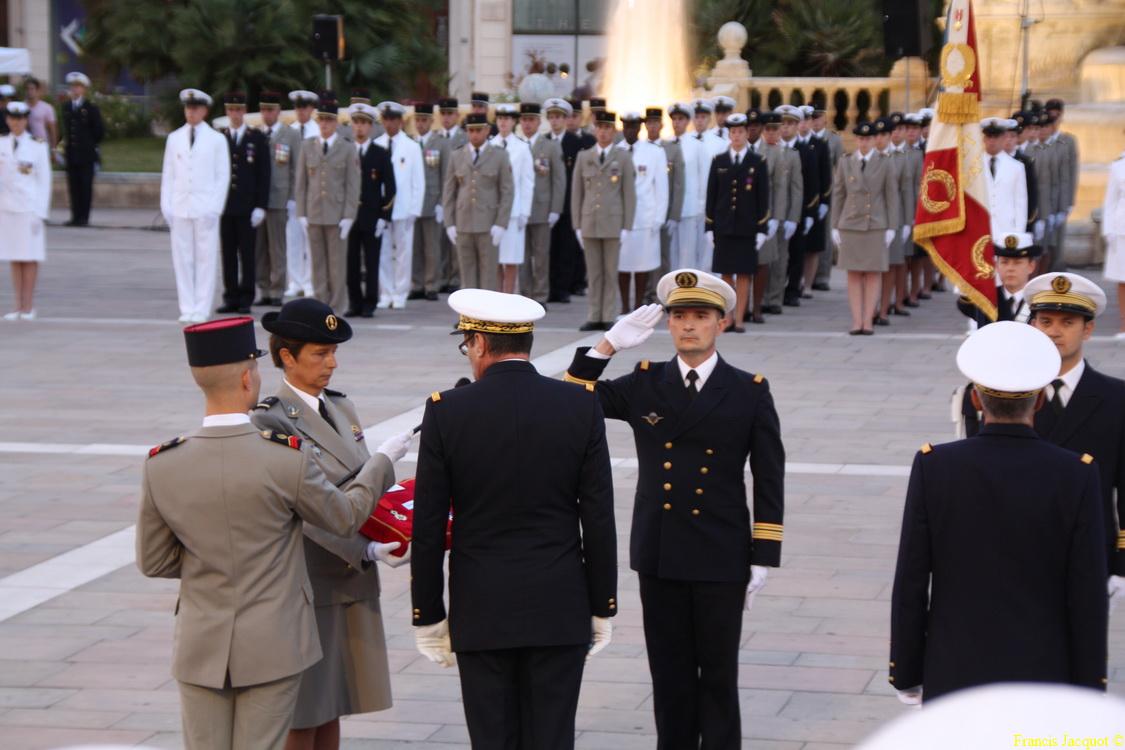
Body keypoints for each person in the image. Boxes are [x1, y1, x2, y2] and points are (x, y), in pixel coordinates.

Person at [136, 316, 401, 750]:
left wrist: (216, 563)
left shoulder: (161, 463)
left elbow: (154, 561)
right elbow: (342, 516)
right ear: (248, 377)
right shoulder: (283, 458)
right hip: (274, 641)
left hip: (199, 644)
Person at [563, 270, 785, 750]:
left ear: (721, 324)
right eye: (679, 316)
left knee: (719, 675)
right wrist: (606, 347)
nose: (688, 326)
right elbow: (570, 401)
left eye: (700, 317)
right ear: (667, 325)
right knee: (669, 675)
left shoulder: (749, 390)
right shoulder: (647, 383)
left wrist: (763, 553)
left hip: (722, 552)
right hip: (660, 550)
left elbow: (769, 475)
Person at [411, 288, 617, 750]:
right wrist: (602, 604)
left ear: (480, 343)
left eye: (467, 345)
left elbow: (427, 526)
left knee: (492, 740)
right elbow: (598, 518)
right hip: (559, 605)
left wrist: (428, 613)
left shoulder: (448, 410)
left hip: (481, 609)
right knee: (552, 738)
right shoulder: (579, 405)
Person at [890, 321, 1107, 705]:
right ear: (1039, 401)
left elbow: (911, 577)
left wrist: (906, 669)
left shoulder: (935, 466)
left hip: (954, 667)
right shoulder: (1077, 472)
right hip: (1044, 671)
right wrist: (1090, 685)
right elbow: (1087, 592)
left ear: (975, 399)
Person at [251, 299, 413, 750]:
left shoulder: (341, 407)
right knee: (305, 711)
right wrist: (363, 550)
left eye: (333, 353)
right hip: (310, 582)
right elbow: (300, 507)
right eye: (319, 354)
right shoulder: (270, 419)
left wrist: (394, 527)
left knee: (336, 704)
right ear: (287, 356)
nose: (331, 363)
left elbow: (360, 485)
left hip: (349, 582)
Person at [1025, 272, 1125, 592]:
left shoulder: (1116, 398)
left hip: (1090, 548)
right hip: (1020, 548)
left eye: (1068, 323)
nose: (1055, 332)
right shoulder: (1008, 394)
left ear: (1088, 329)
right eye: (1045, 321)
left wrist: (1122, 560)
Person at [955, 233, 1043, 437]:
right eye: (1004, 262)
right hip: (990, 384)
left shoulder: (1040, 302)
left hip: (1027, 384)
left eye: (1017, 262)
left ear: (1031, 266)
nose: (1010, 268)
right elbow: (964, 298)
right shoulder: (984, 298)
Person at [160, 89, 230, 323]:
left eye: (196, 108)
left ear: (205, 110)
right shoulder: (175, 137)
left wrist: (215, 208)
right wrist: (166, 205)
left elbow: (222, 176)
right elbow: (168, 174)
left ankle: (202, 306)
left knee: (205, 258)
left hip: (205, 207)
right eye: (188, 108)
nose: (191, 111)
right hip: (180, 205)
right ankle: (187, 305)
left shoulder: (216, 139)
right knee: (182, 258)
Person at [830, 121, 899, 335]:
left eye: (868, 139)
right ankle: (856, 320)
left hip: (875, 223)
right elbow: (839, 194)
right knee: (853, 274)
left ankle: (868, 320)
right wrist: (834, 225)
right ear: (856, 140)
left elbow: (891, 196)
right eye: (861, 139)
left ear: (873, 140)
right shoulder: (846, 161)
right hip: (850, 223)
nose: (864, 142)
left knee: (872, 274)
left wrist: (892, 227)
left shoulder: (885, 162)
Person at [705, 112, 770, 332]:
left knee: (743, 274)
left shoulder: (757, 161)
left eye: (741, 131)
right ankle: (728, 318)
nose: (737, 136)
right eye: (733, 132)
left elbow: (763, 198)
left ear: (746, 134)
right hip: (724, 226)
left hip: (746, 227)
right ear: (729, 134)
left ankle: (740, 317)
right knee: (725, 275)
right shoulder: (719, 161)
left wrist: (762, 228)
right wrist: (709, 226)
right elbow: (711, 196)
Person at [572, 110, 637, 330]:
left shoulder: (623, 157)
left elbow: (629, 193)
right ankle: (594, 314)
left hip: (613, 223)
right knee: (593, 272)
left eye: (607, 128)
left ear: (613, 130)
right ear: (594, 129)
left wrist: (627, 225)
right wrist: (577, 225)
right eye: (599, 127)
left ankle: (608, 314)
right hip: (590, 222)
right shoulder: (584, 156)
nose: (603, 132)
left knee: (610, 272)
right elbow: (577, 193)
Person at [294, 96, 359, 312]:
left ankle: (337, 307)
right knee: (318, 264)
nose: (324, 124)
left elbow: (352, 184)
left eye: (328, 120)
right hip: (314, 212)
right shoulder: (308, 146)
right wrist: (301, 212)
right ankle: (321, 306)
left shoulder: (347, 148)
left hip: (336, 214)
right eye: (321, 119)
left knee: (337, 265)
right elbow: (301, 182)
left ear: (336, 122)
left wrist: (349, 216)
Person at [442, 113, 514, 291]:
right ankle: (469, 318)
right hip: (463, 222)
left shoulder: (499, 156)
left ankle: (487, 318)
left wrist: (501, 223)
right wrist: (449, 222)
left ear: (487, 130)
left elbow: (507, 191)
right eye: (470, 130)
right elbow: (449, 191)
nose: (474, 135)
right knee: (466, 275)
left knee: (488, 276)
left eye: (478, 130)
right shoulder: (457, 155)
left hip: (488, 224)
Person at [217, 92, 270, 315]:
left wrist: (261, 205)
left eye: (238, 110)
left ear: (244, 111)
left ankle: (247, 296)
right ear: (227, 112)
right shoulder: (220, 137)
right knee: (228, 253)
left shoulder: (255, 137)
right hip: (225, 206)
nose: (235, 114)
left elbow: (264, 173)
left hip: (247, 206)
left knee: (247, 254)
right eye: (231, 110)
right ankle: (230, 296)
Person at [0, 101, 51, 321]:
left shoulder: (37, 145)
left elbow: (44, 181)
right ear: (7, 119)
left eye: (20, 119)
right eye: (12, 118)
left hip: (29, 209)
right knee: (14, 257)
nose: (16, 122)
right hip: (8, 207)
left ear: (26, 120)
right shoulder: (1, 143)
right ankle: (17, 306)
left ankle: (29, 306)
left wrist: (40, 213)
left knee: (30, 257)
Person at [345, 103, 395, 318]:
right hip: (349, 217)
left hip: (372, 216)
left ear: (371, 127)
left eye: (364, 123)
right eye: (356, 123)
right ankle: (354, 302)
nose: (359, 128)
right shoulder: (345, 150)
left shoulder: (380, 153)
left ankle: (370, 303)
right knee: (351, 263)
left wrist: (384, 216)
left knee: (372, 262)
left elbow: (391, 187)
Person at [373, 101, 424, 309]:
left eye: (393, 119)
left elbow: (418, 181)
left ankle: (401, 292)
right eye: (386, 119)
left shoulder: (411, 146)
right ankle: (385, 292)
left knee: (403, 253)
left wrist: (414, 209)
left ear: (400, 121)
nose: (389, 124)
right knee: (383, 251)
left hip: (403, 208)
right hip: (382, 208)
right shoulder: (377, 144)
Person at [615, 111, 668, 313]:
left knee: (642, 264)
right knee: (622, 264)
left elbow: (662, 187)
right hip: (620, 218)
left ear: (640, 128)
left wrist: (659, 218)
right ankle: (625, 306)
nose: (630, 130)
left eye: (634, 126)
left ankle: (637, 306)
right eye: (627, 126)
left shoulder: (654, 152)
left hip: (645, 216)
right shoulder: (616, 150)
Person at [255, 91, 301, 307]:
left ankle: (277, 290)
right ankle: (263, 288)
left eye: (271, 110)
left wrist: (292, 198)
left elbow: (296, 169)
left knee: (277, 247)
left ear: (278, 111)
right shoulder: (256, 134)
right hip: (259, 202)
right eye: (263, 110)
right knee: (260, 248)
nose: (267, 114)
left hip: (279, 199)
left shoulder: (289, 135)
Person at [548, 98, 595, 304]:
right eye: (552, 117)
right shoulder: (543, 142)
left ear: (565, 119)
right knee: (549, 248)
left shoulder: (577, 144)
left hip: (569, 204)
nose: (556, 121)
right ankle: (549, 287)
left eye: (559, 117)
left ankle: (563, 287)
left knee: (567, 248)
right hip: (548, 205)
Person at [757, 111, 803, 323]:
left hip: (781, 215)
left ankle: (775, 298)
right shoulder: (757, 150)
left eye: (776, 128)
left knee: (780, 259)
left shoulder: (791, 154)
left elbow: (795, 188)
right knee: (762, 259)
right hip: (761, 216)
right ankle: (760, 298)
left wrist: (792, 217)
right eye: (770, 129)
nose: (774, 133)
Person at [520, 102, 565, 305]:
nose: (527, 124)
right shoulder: (516, 145)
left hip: (541, 208)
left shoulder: (550, 147)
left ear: (539, 122)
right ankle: (524, 294)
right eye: (524, 120)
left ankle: (540, 295)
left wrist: (555, 209)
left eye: (531, 120)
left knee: (540, 256)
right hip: (520, 210)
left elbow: (558, 180)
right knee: (522, 256)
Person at [777, 106, 820, 308]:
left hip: (798, 210)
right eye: (783, 124)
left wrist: (811, 212)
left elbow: (812, 184)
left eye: (791, 124)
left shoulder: (806, 151)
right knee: (776, 254)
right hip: (775, 210)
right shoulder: (772, 149)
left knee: (796, 252)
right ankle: (775, 290)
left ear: (797, 126)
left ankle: (792, 290)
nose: (786, 128)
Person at [643, 107, 685, 304]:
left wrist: (674, 215)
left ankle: (661, 295)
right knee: (643, 256)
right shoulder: (639, 148)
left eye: (655, 122)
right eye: (649, 123)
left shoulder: (672, 149)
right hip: (643, 214)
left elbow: (678, 184)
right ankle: (645, 294)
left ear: (661, 125)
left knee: (662, 256)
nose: (652, 126)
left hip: (664, 211)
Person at [490, 103, 534, 294]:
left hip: (514, 212)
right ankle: (497, 297)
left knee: (511, 259)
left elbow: (527, 182)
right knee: (495, 260)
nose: (503, 123)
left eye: (506, 119)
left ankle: (508, 297)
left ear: (513, 121)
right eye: (500, 119)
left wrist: (525, 211)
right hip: (492, 211)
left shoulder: (522, 148)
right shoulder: (490, 146)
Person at [408, 102, 448, 302]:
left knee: (432, 247)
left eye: (424, 120)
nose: (421, 123)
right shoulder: (411, 142)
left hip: (432, 201)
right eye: (418, 120)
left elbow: (446, 175)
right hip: (414, 203)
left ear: (432, 121)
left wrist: (442, 202)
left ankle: (432, 284)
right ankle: (416, 284)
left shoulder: (440, 143)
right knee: (415, 247)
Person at [873, 116, 908, 325]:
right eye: (877, 135)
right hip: (871, 219)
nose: (880, 139)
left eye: (884, 135)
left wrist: (907, 222)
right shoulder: (866, 158)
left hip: (894, 218)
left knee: (891, 266)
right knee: (872, 267)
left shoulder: (900, 158)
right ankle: (872, 307)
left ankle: (884, 309)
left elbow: (905, 192)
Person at [286, 90, 320, 299]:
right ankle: (295, 280)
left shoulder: (317, 131)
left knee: (311, 241)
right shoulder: (289, 130)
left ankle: (309, 281)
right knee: (293, 240)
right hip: (292, 195)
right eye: (298, 107)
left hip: (312, 195)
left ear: (311, 109)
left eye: (304, 107)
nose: (301, 111)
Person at [667, 102, 708, 272]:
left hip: (690, 208)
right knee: (669, 254)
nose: (677, 123)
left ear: (687, 121)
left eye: (681, 119)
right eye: (674, 119)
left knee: (687, 254)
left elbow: (703, 177)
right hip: (668, 210)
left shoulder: (696, 145)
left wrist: (701, 206)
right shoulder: (665, 144)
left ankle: (686, 294)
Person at [60, 72, 103, 227]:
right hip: (72, 154)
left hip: (86, 155)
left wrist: (89, 145)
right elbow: (66, 130)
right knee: (73, 186)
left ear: (84, 89)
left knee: (85, 187)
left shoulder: (90, 108)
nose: (75, 90)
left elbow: (99, 131)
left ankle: (84, 217)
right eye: (73, 87)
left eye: (78, 87)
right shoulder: (66, 107)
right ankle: (75, 216)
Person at [981, 117, 1028, 250]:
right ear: (984, 139)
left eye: (996, 137)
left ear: (1003, 138)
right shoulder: (974, 166)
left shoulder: (1016, 167)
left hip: (1006, 228)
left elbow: (1020, 203)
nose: (992, 141)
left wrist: (1018, 232)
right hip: (981, 228)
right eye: (989, 137)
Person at [811, 105, 843, 292]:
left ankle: (822, 276)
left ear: (824, 118)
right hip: (808, 194)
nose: (815, 121)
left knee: (824, 235)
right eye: (812, 117)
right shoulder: (803, 136)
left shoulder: (833, 139)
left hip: (826, 192)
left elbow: (840, 168)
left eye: (818, 117)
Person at [1044, 100, 1078, 271]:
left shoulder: (1068, 141)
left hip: (1060, 199)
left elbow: (1072, 172)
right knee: (1042, 244)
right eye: (1051, 116)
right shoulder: (1039, 142)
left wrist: (1070, 202)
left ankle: (1057, 275)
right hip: (1042, 199)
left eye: (1057, 116)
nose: (1054, 120)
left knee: (1058, 242)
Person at [1103, 148, 1125, 336]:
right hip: (1122, 229)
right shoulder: (1118, 166)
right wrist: (1108, 229)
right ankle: (1124, 325)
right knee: (1123, 278)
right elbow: (1110, 201)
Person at [23, 77, 56, 153]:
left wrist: (53, 148)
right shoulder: (22, 106)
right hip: (25, 145)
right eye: (27, 89)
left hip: (41, 144)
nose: (29, 91)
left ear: (37, 90)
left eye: (32, 89)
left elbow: (52, 129)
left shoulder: (47, 107)